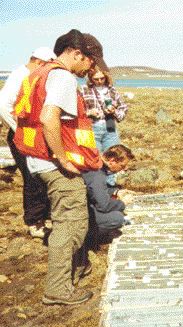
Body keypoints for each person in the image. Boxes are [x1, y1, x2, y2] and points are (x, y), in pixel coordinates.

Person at [13, 29, 108, 305]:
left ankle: (76, 269)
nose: (91, 67)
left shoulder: (39, 73)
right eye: (90, 61)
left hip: (37, 160)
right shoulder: (63, 77)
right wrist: (63, 158)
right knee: (71, 224)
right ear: (77, 54)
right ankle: (57, 288)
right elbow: (48, 116)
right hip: (54, 164)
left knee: (68, 218)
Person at [0, 47, 56, 238]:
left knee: (42, 176)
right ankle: (35, 222)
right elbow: (3, 105)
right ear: (40, 62)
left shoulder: (30, 75)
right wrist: (19, 129)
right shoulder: (21, 76)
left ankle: (45, 217)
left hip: (32, 133)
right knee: (33, 178)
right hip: (24, 134)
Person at [81, 66, 128, 186]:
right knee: (95, 159)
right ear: (91, 78)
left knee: (114, 158)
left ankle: (111, 187)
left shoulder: (112, 91)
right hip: (92, 128)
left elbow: (123, 108)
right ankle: (98, 188)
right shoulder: (84, 90)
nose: (99, 81)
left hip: (110, 127)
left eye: (102, 78)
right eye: (96, 79)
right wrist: (89, 113)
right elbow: (78, 111)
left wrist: (114, 112)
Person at [82, 144, 135, 240]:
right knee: (117, 218)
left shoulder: (96, 164)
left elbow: (93, 191)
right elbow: (103, 206)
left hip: (83, 204)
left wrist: (115, 192)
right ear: (112, 161)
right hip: (78, 212)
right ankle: (89, 238)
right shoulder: (97, 174)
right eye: (122, 166)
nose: (124, 169)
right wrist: (122, 203)